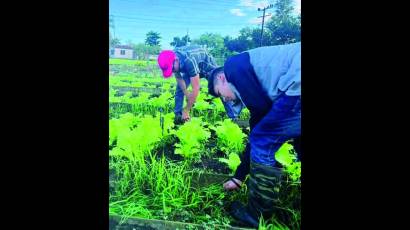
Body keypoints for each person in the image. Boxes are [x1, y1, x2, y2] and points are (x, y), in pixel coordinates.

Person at [207, 42, 301, 228]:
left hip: (297, 86)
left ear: (222, 77)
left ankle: (257, 214)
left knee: (262, 141)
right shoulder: (252, 73)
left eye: (220, 93)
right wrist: (240, 176)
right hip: (295, 83)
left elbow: (260, 120)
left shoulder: (232, 66)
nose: (225, 99)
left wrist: (239, 176)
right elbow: (263, 116)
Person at [157, 45, 237, 124]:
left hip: (206, 67)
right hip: (191, 68)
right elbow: (179, 78)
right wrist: (186, 93)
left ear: (176, 60)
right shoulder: (171, 59)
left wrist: (186, 110)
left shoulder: (189, 60)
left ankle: (233, 117)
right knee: (179, 90)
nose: (173, 71)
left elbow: (196, 88)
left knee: (220, 89)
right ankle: (178, 116)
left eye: (172, 69)